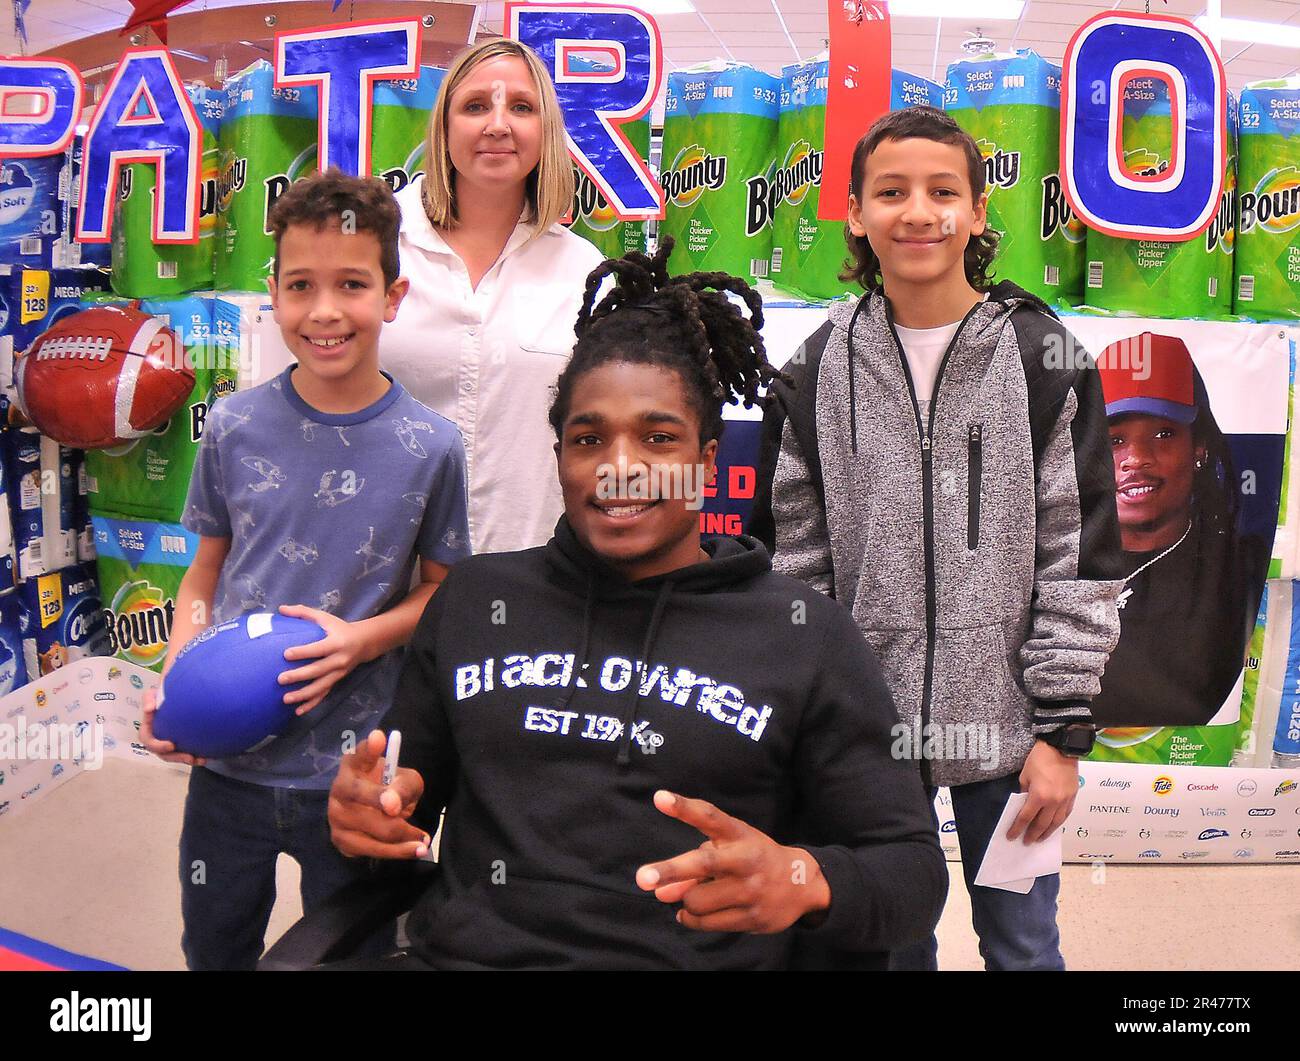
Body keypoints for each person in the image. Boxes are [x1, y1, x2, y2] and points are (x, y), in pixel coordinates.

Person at [325, 241, 948, 970]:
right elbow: (399, 802)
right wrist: (366, 815)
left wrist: (801, 878)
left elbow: (911, 872)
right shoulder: (477, 599)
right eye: (589, 439)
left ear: (708, 463)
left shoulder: (803, 636)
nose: (621, 469)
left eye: (658, 437)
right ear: (559, 458)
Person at [750, 106, 1125, 971]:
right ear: (854, 213)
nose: (918, 212)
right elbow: (796, 562)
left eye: (943, 191)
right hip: (868, 730)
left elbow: (1080, 553)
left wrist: (1063, 731)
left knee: (1024, 948)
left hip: (1010, 726)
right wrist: (815, 720)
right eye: (891, 192)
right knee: (889, 945)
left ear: (978, 213)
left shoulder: (1043, 356)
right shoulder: (813, 367)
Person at [139, 170, 472, 970]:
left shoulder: (431, 446)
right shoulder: (233, 424)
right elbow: (202, 575)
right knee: (214, 946)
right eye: (301, 286)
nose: (324, 311)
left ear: (392, 296)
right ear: (274, 295)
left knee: (348, 955)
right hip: (230, 768)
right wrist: (179, 667)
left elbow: (443, 589)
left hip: (354, 775)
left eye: (351, 284)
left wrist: (359, 640)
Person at [379, 38, 605, 554]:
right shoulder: (375, 246)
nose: (498, 124)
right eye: (475, 105)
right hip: (382, 575)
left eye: (521, 107)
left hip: (532, 573)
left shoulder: (584, 272)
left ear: (545, 130)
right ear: (444, 127)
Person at [1091, 332, 1270, 729]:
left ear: (1200, 447)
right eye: (1114, 439)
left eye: (1163, 434)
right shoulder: (1052, 560)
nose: (1135, 459)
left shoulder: (1241, 567)